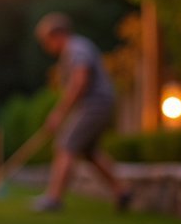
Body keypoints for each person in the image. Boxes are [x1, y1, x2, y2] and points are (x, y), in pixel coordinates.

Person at [32, 12, 131, 212]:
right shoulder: (75, 49)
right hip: (98, 103)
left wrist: (59, 113)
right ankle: (122, 191)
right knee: (89, 152)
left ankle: (53, 199)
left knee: (65, 145)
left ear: (56, 35)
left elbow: (80, 81)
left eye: (46, 41)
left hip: (95, 104)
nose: (46, 47)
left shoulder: (76, 48)